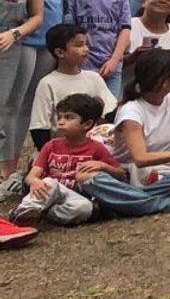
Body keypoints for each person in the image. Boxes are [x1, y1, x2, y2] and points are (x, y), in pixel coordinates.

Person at [91, 49, 170, 217]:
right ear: (163, 81)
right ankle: (169, 202)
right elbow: (140, 159)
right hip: (128, 172)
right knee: (90, 180)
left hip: (168, 169)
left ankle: (123, 201)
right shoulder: (132, 111)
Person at [8, 93, 121, 227]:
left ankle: (45, 214)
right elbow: (31, 177)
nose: (61, 121)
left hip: (73, 197)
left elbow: (120, 173)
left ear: (87, 124)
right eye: (59, 117)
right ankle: (22, 211)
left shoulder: (96, 148)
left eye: (68, 117)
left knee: (85, 208)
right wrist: (35, 182)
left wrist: (102, 165)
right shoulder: (51, 145)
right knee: (50, 183)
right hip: (49, 191)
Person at [0, 0, 49, 185]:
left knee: (5, 109)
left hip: (8, 47)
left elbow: (37, 16)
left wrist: (15, 34)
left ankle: (5, 174)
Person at [28, 24, 115, 149]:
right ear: (60, 52)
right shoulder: (48, 83)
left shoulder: (94, 78)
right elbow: (39, 127)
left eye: (86, 44)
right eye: (79, 45)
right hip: (61, 151)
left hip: (93, 149)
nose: (86, 49)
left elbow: (110, 112)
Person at [65, 0, 131, 99]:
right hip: (82, 65)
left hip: (111, 64)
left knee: (108, 110)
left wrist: (115, 60)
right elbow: (68, 31)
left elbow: (125, 29)